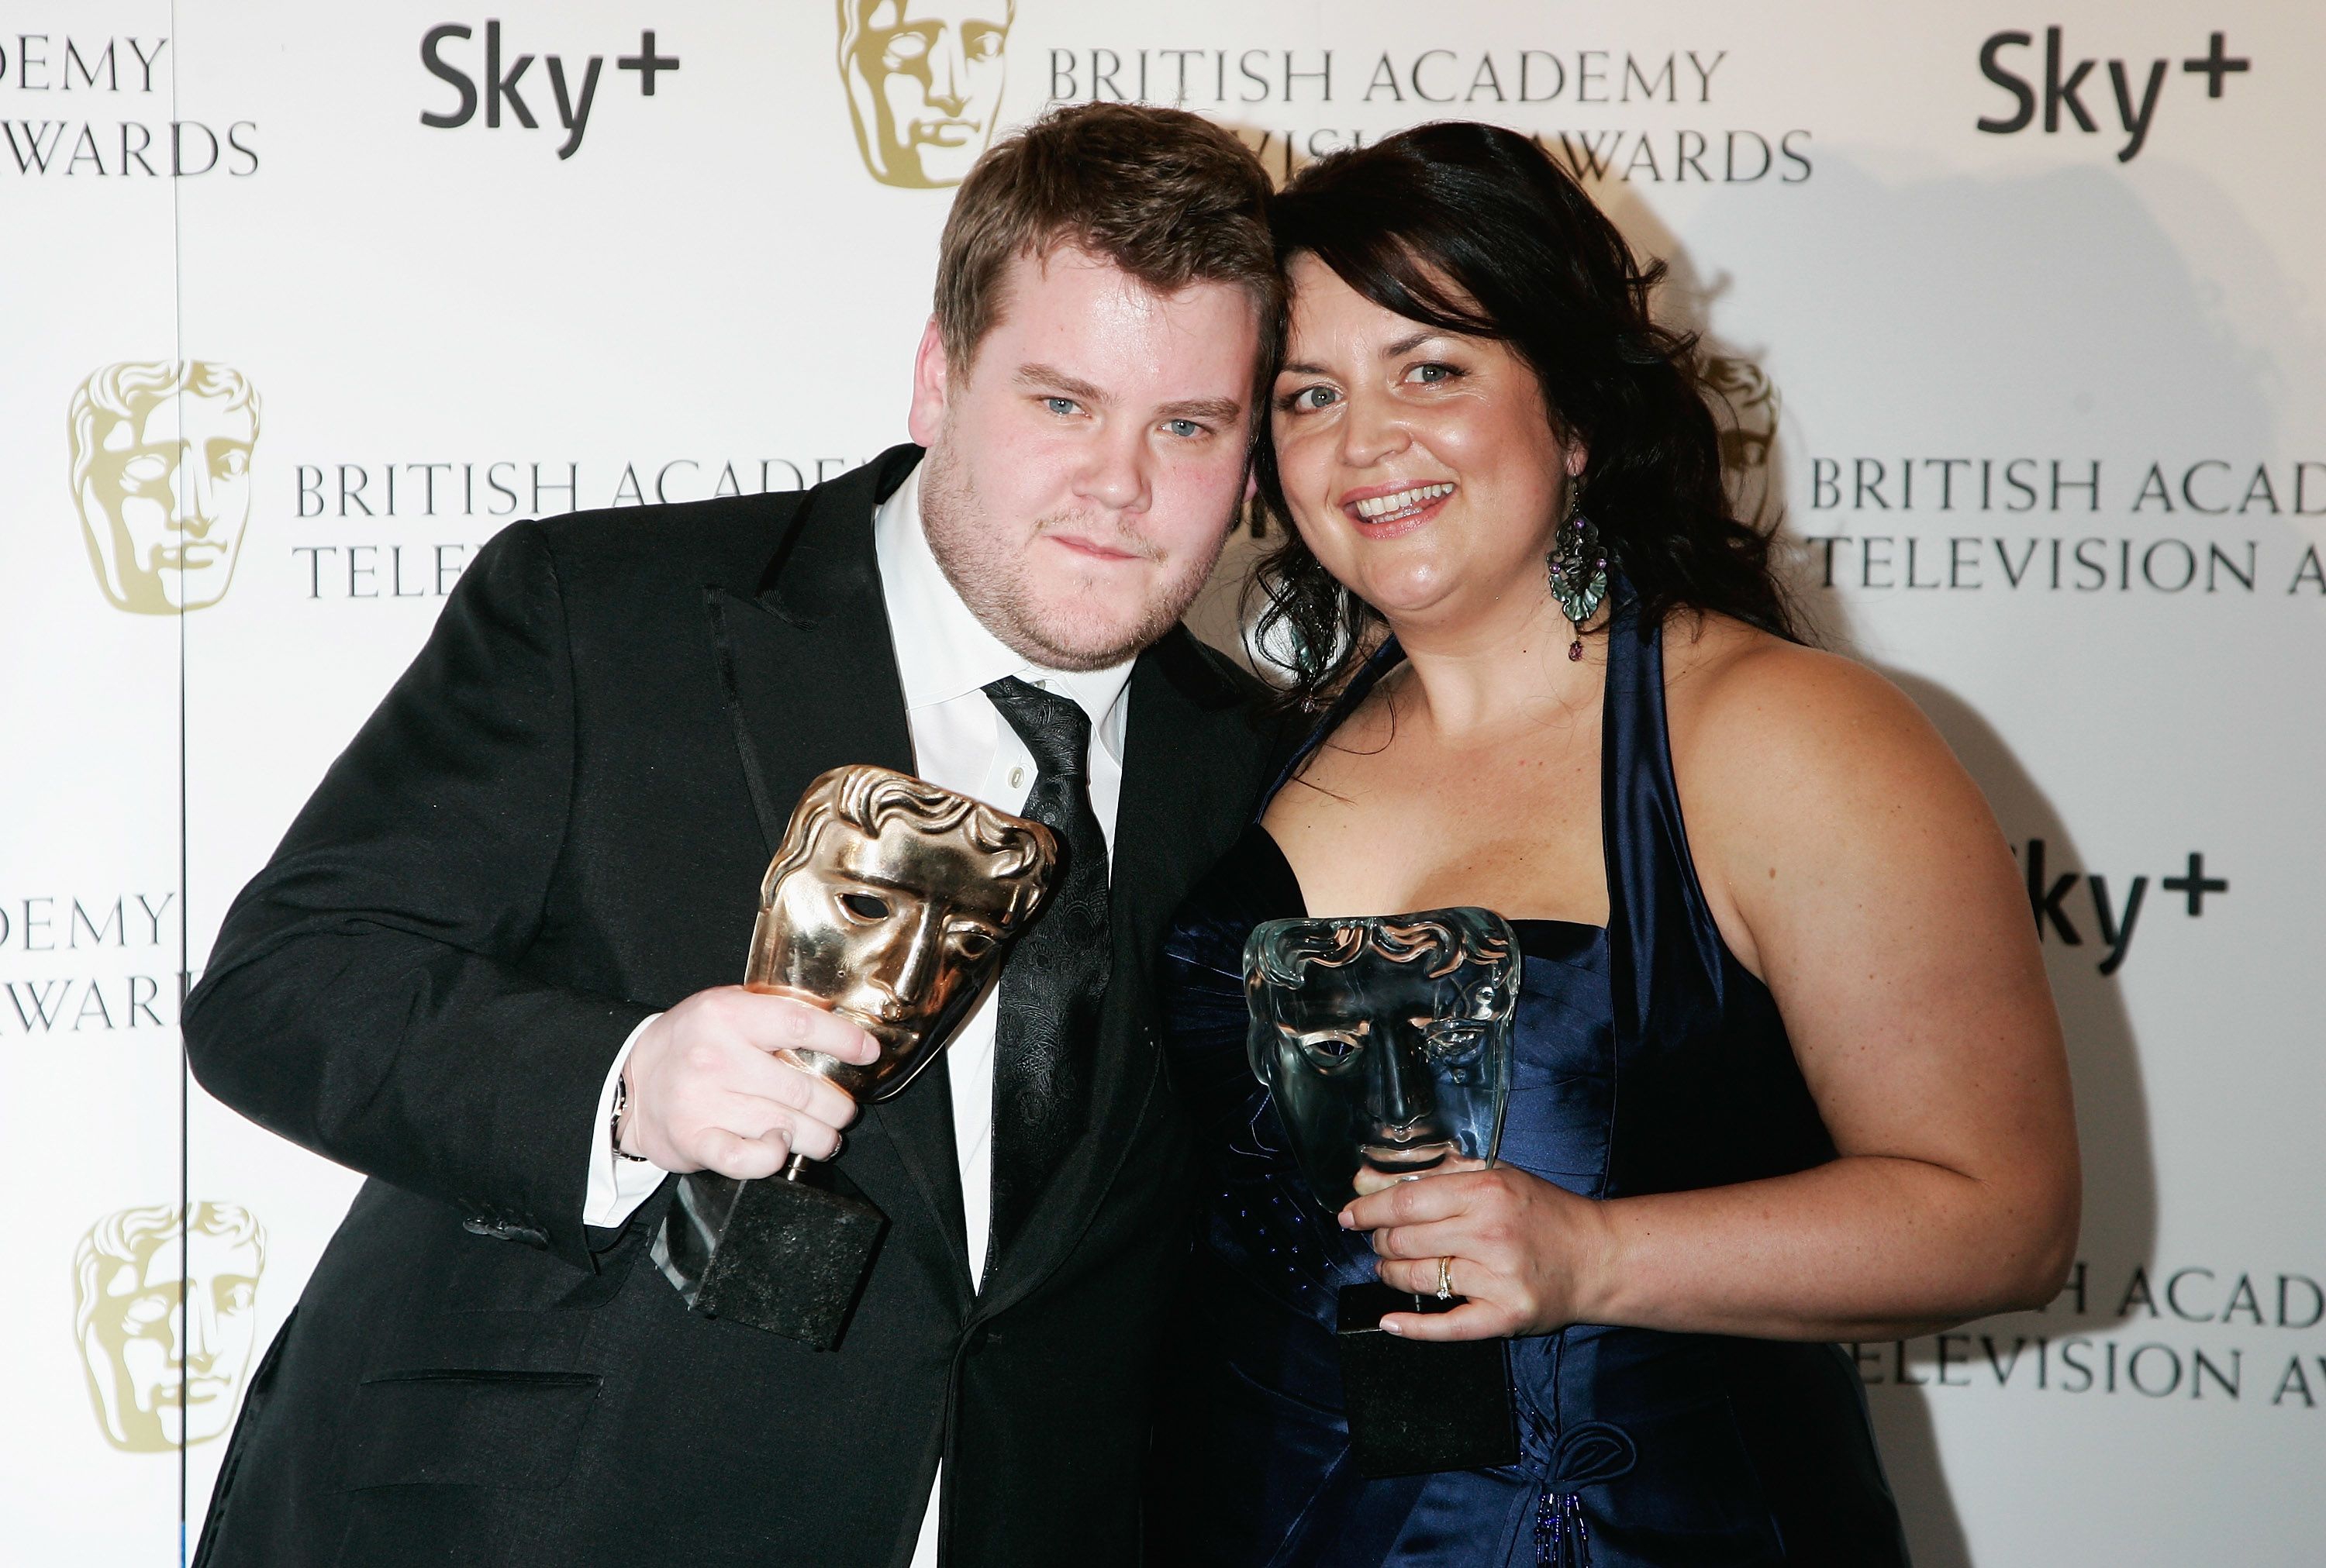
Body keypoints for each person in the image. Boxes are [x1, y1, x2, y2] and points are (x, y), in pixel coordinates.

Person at [185, 102, 1279, 1568]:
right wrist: (626, 1087)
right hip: (533, 1522)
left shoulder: (1269, 770)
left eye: (1188, 426)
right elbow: (280, 987)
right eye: (1062, 402)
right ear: (938, 381)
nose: (1123, 486)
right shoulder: (604, 618)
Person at [1147, 122, 2080, 1566]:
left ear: (1574, 414)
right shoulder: (1254, 750)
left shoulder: (1784, 736)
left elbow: (2001, 1219)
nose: (1365, 441)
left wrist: (1599, 1255)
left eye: (1433, 368)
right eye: (1308, 393)